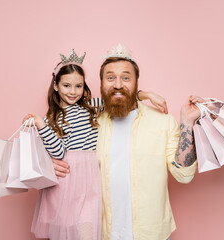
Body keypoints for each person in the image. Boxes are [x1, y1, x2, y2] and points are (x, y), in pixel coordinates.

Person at [54, 44, 203, 240]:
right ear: (100, 84)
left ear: (135, 82)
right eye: (110, 78)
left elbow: (184, 175)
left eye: (126, 78)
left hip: (150, 234)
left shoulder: (163, 122)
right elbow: (65, 157)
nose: (117, 84)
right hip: (100, 233)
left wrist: (187, 124)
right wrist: (50, 165)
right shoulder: (89, 121)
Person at [23, 49, 169, 240]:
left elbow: (119, 95)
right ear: (56, 86)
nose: (73, 91)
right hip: (66, 182)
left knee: (87, 231)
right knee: (65, 231)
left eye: (79, 86)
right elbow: (58, 152)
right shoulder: (52, 119)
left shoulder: (91, 107)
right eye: (67, 85)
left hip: (90, 180)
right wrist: (41, 125)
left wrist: (147, 95)